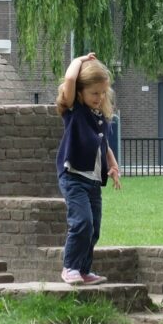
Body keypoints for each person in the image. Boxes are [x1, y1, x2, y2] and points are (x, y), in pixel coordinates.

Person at [55, 52, 122, 285]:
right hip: (73, 176)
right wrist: (80, 60)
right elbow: (71, 79)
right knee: (81, 222)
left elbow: (102, 144)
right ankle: (70, 267)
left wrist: (112, 165)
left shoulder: (99, 116)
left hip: (93, 181)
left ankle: (83, 270)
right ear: (81, 91)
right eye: (94, 93)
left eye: (103, 93)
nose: (99, 97)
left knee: (94, 228)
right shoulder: (74, 110)